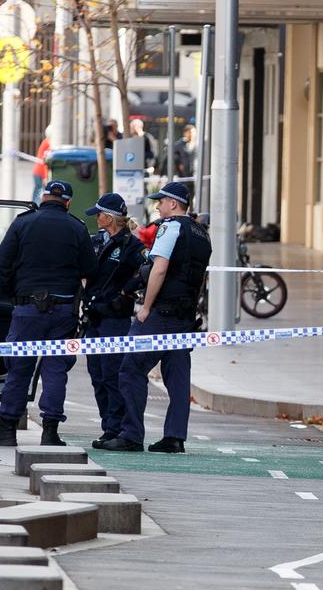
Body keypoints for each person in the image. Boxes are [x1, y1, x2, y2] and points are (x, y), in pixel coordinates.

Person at [98, 181, 211, 453]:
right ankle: (174, 438)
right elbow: (199, 278)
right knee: (178, 379)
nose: (158, 207)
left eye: (161, 202)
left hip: (161, 314)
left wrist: (146, 307)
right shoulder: (202, 234)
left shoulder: (171, 227)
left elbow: (158, 269)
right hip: (185, 316)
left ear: (174, 204)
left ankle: (131, 434)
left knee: (130, 369)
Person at [0, 180, 98, 446]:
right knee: (55, 370)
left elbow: (1, 264)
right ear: (68, 202)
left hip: (27, 308)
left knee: (19, 370)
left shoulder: (22, 223)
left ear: (44, 196)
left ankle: (6, 430)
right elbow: (90, 269)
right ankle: (50, 431)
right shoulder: (77, 227)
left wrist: (10, 294)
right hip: (63, 312)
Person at [81, 193, 149, 449]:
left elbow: (148, 268)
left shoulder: (131, 245)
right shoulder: (95, 241)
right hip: (94, 316)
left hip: (114, 318)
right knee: (96, 373)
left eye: (99, 214)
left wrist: (127, 291)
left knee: (111, 374)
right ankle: (107, 426)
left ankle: (115, 428)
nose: (96, 218)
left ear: (109, 218)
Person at [31, 125, 53, 204]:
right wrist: (45, 176)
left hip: (38, 171)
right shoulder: (48, 143)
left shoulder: (45, 141)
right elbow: (45, 162)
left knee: (38, 192)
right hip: (40, 172)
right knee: (39, 193)